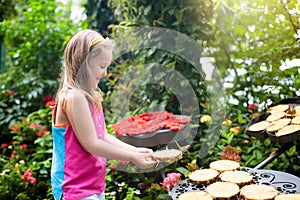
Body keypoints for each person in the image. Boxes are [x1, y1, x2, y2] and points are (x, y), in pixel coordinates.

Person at [51, 29, 156, 200]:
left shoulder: (91, 95)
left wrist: (135, 151)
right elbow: (91, 144)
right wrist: (132, 156)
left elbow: (102, 136)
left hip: (92, 185)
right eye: (102, 66)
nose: (105, 73)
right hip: (74, 188)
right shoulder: (73, 97)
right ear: (83, 62)